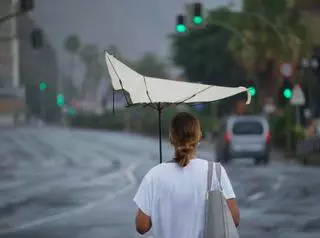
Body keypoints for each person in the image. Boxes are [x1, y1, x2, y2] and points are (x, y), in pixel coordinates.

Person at [133, 112, 240, 238]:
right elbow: (234, 220)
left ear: (171, 138)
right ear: (199, 136)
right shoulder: (215, 172)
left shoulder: (154, 175)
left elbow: (141, 226)